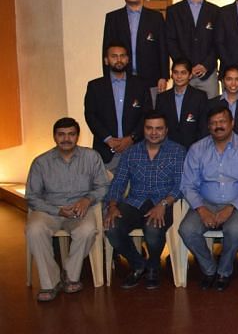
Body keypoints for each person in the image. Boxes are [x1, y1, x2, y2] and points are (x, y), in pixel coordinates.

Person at [25, 117, 109, 302]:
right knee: (34, 229)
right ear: (54, 137)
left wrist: (87, 200)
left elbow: (103, 186)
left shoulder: (91, 157)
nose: (66, 139)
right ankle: (50, 282)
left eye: (71, 134)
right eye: (61, 134)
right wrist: (58, 211)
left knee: (87, 230)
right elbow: (32, 196)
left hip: (81, 209)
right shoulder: (41, 162)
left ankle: (70, 275)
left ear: (77, 136)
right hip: (50, 210)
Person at [179, 105, 238, 291]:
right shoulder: (197, 149)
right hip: (204, 202)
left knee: (235, 230)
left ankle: (224, 271)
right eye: (213, 123)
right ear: (208, 127)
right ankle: (209, 269)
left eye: (222, 121)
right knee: (187, 230)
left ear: (232, 123)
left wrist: (231, 207)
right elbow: (187, 185)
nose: (218, 126)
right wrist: (201, 209)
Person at [104, 111, 185, 290]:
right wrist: (112, 206)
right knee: (111, 226)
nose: (154, 133)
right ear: (144, 129)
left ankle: (154, 265)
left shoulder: (177, 151)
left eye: (158, 129)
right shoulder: (131, 152)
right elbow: (119, 182)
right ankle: (139, 264)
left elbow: (180, 185)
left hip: (165, 202)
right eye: (149, 128)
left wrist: (163, 204)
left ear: (166, 130)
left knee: (153, 227)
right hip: (135, 202)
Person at [102, 0, 168, 105]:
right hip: (122, 77)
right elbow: (106, 50)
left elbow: (163, 48)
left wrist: (164, 76)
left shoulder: (156, 17)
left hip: (151, 79)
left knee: (151, 116)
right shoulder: (113, 18)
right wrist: (107, 77)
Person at [84, 43, 152, 170]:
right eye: (114, 56)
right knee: (107, 189)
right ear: (106, 60)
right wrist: (108, 139)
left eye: (122, 56)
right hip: (106, 152)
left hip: (136, 149)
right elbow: (90, 115)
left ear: (127, 59)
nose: (119, 60)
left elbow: (147, 115)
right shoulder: (95, 86)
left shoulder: (141, 85)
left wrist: (131, 138)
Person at [165, 0, 221, 98]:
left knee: (211, 114)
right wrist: (186, 67)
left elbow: (219, 43)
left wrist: (205, 65)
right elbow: (171, 41)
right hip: (183, 74)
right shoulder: (174, 11)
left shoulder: (216, 11)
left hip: (207, 74)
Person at [155, 58, 208, 149]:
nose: (179, 76)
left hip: (194, 148)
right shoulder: (162, 98)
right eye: (176, 72)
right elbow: (159, 126)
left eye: (183, 73)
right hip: (168, 149)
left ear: (190, 75)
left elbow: (203, 127)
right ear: (171, 75)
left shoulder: (200, 97)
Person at [205, 65, 238, 141]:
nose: (233, 83)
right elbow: (207, 132)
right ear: (223, 81)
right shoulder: (212, 104)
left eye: (237, 79)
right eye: (229, 79)